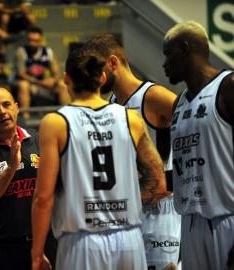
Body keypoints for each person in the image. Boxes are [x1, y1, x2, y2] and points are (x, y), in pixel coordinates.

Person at [31, 47, 169, 270]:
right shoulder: (131, 119)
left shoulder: (55, 122)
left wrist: (37, 253)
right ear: (103, 77)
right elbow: (158, 181)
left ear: (66, 79)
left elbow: (43, 197)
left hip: (82, 241)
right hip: (129, 239)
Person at [83, 33, 180, 269]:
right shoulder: (112, 104)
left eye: (95, 67)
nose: (92, 75)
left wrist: (170, 180)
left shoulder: (153, 96)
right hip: (129, 211)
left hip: (161, 212)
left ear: (113, 63)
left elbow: (197, 130)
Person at [163, 21, 234, 270]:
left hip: (226, 219)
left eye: (167, 54)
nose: (164, 64)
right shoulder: (178, 104)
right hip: (190, 222)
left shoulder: (228, 87)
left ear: (184, 49)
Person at [0, 87, 55, 270]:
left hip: (47, 241)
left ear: (16, 107)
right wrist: (11, 168)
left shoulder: (39, 140)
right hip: (5, 250)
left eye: (6, 105)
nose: (2, 112)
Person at [14, 26, 70, 119]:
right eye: (30, 40)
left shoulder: (48, 52)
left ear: (41, 40)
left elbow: (57, 72)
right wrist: (39, 83)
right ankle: (25, 117)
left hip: (42, 84)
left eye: (36, 40)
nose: (32, 43)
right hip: (29, 84)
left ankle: (67, 117)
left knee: (62, 85)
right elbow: (21, 74)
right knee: (23, 85)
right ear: (26, 40)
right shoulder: (21, 52)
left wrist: (53, 80)